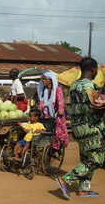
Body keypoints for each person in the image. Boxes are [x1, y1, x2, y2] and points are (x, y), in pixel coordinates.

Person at [56, 57, 104, 199]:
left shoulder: (74, 86)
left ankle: (84, 189)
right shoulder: (90, 86)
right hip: (91, 127)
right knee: (97, 159)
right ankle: (67, 179)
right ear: (93, 69)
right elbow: (94, 108)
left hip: (78, 127)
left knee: (86, 157)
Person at [37, 72, 69, 155]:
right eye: (43, 79)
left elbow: (60, 100)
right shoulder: (44, 91)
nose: (43, 81)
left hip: (56, 114)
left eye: (45, 79)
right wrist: (40, 107)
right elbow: (42, 101)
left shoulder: (57, 89)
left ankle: (58, 147)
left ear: (50, 81)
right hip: (46, 115)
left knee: (58, 132)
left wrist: (60, 109)